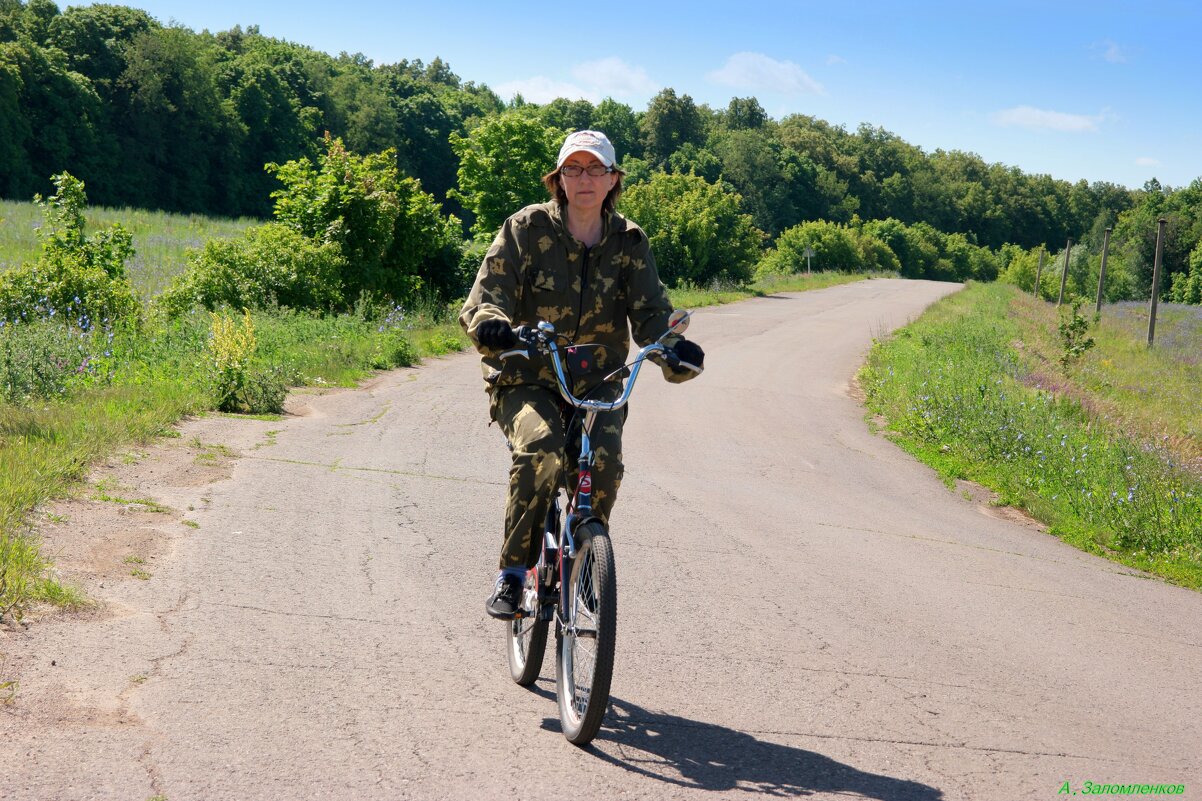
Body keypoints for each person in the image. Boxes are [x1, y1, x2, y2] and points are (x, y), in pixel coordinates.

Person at [459, 130, 705, 620]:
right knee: (542, 453)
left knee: (605, 464)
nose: (585, 179)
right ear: (559, 178)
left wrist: (673, 350)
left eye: (596, 169)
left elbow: (652, 314)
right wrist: (494, 326)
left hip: (598, 380)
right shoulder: (526, 228)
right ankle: (512, 572)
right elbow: (488, 294)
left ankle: (586, 555)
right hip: (527, 374)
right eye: (574, 169)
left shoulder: (630, 241)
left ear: (613, 179)